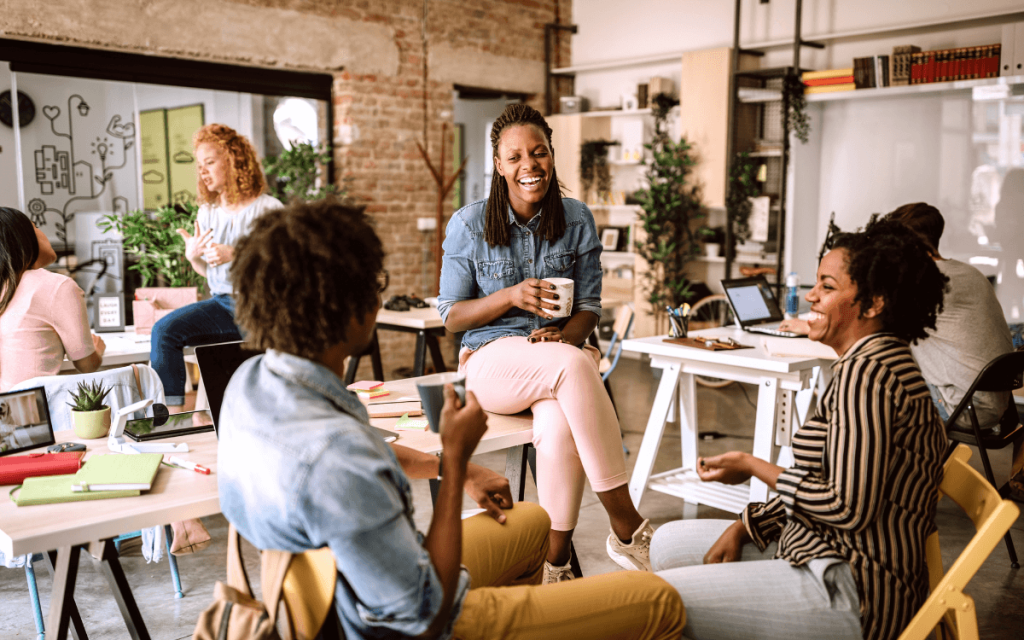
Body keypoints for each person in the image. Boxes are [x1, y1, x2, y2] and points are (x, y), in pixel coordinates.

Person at [217, 200, 685, 640]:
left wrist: (451, 470)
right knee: (662, 601)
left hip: (353, 591)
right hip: (422, 619)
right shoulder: (337, 462)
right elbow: (425, 614)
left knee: (533, 523)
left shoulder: (252, 382)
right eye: (373, 285)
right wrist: (457, 457)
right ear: (350, 309)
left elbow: (358, 451)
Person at [650, 219, 949, 640]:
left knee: (656, 602)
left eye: (827, 286)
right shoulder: (867, 364)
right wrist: (747, 524)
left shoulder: (870, 377)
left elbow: (846, 507)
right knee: (665, 544)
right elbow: (825, 481)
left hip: (856, 586)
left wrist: (752, 465)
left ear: (873, 303)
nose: (810, 296)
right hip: (816, 547)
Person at [437, 104, 650, 584]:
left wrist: (566, 335)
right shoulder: (469, 225)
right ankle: (627, 523)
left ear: (552, 156)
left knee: (558, 427)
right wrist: (511, 295)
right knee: (573, 367)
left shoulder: (576, 219)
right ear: (498, 164)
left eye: (539, 153)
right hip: (491, 362)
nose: (528, 166)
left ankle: (553, 565)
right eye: (515, 157)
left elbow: (590, 307)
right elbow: (452, 316)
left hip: (558, 361)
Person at [779, 203, 1014, 431]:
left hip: (963, 404)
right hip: (995, 403)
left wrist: (808, 323)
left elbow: (871, 325)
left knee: (867, 386)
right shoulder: (968, 272)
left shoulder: (926, 281)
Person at [149, 124, 282, 408]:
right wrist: (193, 255)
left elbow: (285, 267)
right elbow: (208, 272)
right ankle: (169, 416)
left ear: (234, 161)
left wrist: (236, 253)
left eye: (210, 162)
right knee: (164, 331)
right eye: (200, 165)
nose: (203, 171)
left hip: (259, 307)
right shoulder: (207, 212)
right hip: (222, 305)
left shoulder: (269, 209)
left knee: (259, 361)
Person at [0, 206, 105, 391]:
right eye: (36, 226)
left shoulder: (5, 286)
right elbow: (87, 365)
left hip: (8, 411)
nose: (44, 234)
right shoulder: (56, 286)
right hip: (33, 412)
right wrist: (97, 349)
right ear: (23, 238)